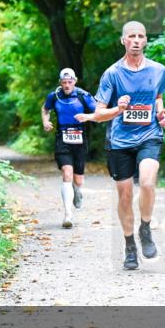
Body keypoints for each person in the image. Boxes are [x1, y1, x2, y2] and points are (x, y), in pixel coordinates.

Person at [75, 21, 165, 270]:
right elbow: (99, 113)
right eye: (131, 36)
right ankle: (129, 247)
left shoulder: (159, 70)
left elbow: (158, 97)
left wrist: (162, 114)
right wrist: (120, 108)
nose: (136, 40)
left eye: (140, 36)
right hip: (119, 142)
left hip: (149, 135)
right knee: (125, 194)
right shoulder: (112, 74)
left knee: (148, 182)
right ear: (123, 41)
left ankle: (145, 228)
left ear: (146, 40)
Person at [42, 68, 96, 228]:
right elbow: (45, 109)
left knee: (78, 180)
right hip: (62, 138)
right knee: (67, 173)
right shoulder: (54, 96)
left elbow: (98, 112)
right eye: (64, 82)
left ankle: (77, 190)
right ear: (60, 82)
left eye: (69, 82)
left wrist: (89, 117)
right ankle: (68, 215)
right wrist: (45, 121)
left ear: (75, 81)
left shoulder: (83, 96)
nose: (67, 85)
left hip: (80, 139)